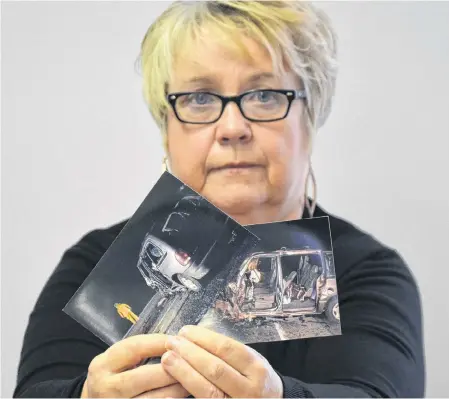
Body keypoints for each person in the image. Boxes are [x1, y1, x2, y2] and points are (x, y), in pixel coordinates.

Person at [14, 1, 425, 398]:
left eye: (265, 95)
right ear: (166, 127)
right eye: (200, 98)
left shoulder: (367, 271)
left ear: (311, 117)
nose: (232, 127)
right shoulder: (94, 263)